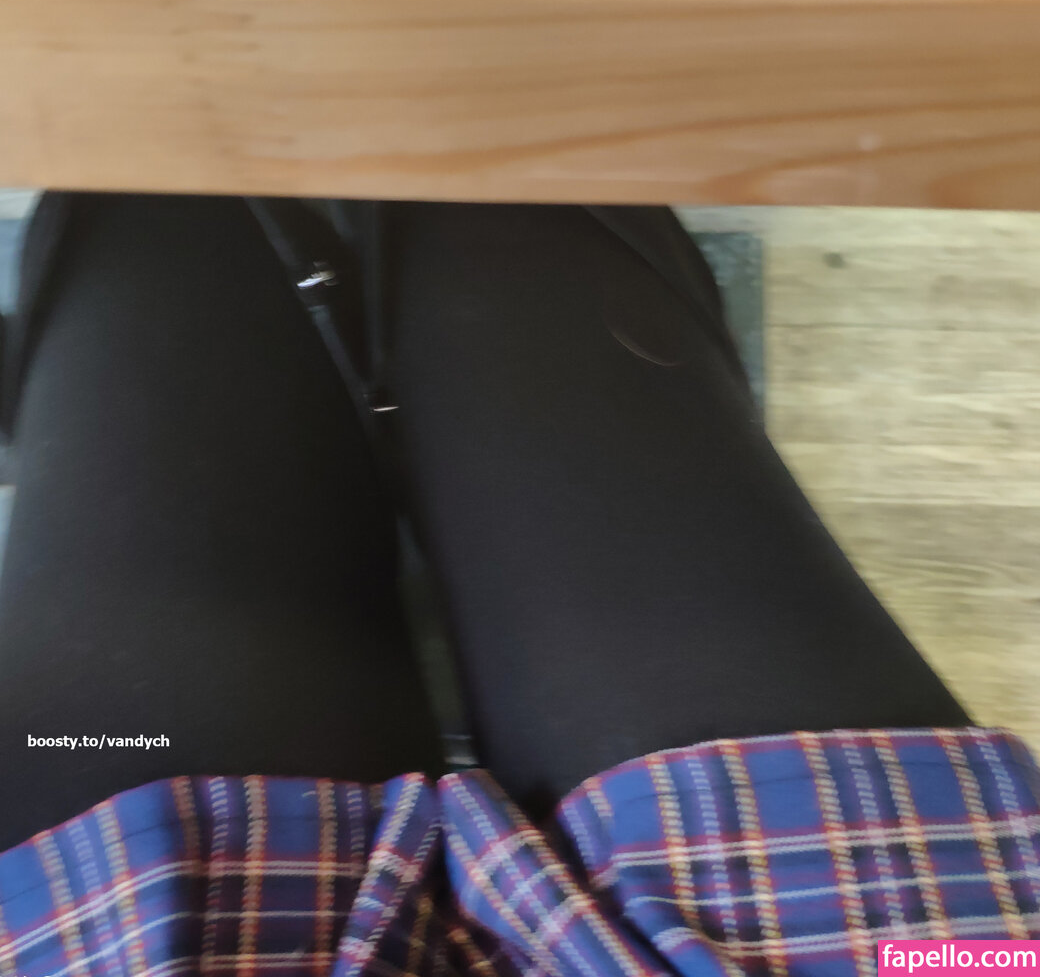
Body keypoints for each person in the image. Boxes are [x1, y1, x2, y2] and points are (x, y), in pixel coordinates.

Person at [0, 194, 1035, 977]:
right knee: (529, 265)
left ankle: (210, 114)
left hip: (119, 930)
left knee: (161, 296)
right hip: (873, 947)